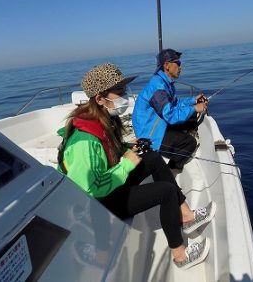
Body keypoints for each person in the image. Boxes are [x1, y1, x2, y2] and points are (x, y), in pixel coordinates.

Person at [57, 63, 216, 270]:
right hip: (98, 204)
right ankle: (180, 256)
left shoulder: (101, 119)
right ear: (99, 98)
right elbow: (90, 188)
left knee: (151, 157)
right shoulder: (84, 142)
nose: (125, 97)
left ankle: (185, 216)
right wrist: (126, 163)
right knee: (166, 192)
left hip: (109, 188)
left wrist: (127, 147)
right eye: (119, 92)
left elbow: (107, 150)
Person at [132, 49, 208, 171]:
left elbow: (175, 104)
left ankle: (176, 139)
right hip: (149, 136)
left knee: (192, 117)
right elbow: (171, 116)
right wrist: (195, 108)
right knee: (190, 143)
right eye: (178, 63)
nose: (180, 66)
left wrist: (193, 100)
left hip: (157, 125)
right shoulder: (158, 88)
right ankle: (171, 170)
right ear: (167, 65)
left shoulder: (165, 83)